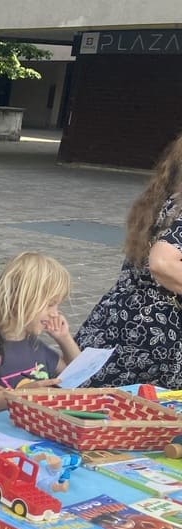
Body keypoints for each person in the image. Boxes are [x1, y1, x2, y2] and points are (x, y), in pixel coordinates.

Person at [75, 133, 182, 389]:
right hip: (157, 333)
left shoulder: (164, 201)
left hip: (121, 317)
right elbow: (163, 263)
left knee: (96, 404)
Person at [0, 252, 80, 389]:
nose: (55, 314)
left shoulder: (36, 346)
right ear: (20, 299)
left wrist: (64, 338)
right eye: (50, 304)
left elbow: (76, 374)